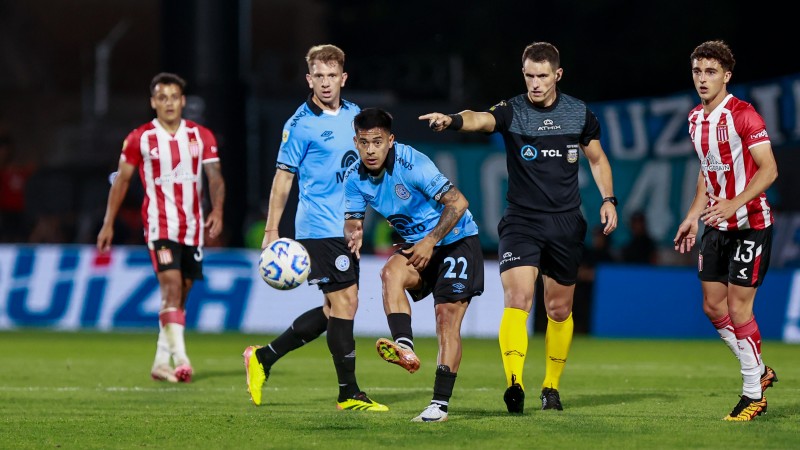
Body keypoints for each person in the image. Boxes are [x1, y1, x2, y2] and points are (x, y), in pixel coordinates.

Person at [420, 41, 617, 413]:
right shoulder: (513, 111)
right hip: (521, 221)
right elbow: (481, 118)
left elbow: (598, 158)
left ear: (558, 75)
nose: (535, 83)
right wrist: (454, 120)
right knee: (518, 300)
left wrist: (609, 200)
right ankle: (515, 384)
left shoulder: (580, 114)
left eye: (543, 76)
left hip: (565, 223)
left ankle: (551, 387)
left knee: (558, 309)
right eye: (529, 75)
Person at [242, 44, 387, 412]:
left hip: (347, 227)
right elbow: (282, 179)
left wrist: (360, 220)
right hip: (318, 227)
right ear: (309, 79)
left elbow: (362, 172)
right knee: (346, 302)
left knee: (332, 310)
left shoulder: (355, 117)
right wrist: (272, 229)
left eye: (331, 76)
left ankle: (264, 358)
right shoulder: (299, 125)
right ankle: (348, 393)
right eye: (318, 76)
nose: (325, 83)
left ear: (343, 78)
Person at [343, 108, 484, 422]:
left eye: (377, 142)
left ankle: (439, 406)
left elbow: (459, 202)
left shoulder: (413, 164)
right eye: (364, 142)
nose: (370, 150)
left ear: (390, 141)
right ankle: (404, 347)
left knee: (446, 319)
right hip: (421, 246)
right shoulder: (355, 177)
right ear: (356, 141)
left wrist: (431, 240)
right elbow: (352, 221)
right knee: (389, 272)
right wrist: (354, 234)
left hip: (456, 241)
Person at [673, 40, 779, 421]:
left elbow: (769, 169)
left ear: (727, 76)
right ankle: (760, 370)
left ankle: (753, 393)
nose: (703, 79)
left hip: (750, 224)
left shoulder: (744, 115)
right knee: (712, 306)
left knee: (738, 307)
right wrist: (691, 215)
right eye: (698, 71)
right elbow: (709, 171)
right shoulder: (694, 120)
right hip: (716, 224)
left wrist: (736, 203)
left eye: (711, 72)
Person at [97, 72, 225, 383]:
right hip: (159, 226)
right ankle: (181, 359)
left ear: (182, 101)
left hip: (192, 228)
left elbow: (215, 178)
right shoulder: (140, 138)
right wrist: (108, 222)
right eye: (162, 98)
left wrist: (218, 210)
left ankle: (159, 361)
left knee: (181, 293)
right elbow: (122, 181)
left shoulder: (201, 136)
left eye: (174, 97)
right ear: (154, 102)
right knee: (170, 287)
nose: (168, 103)